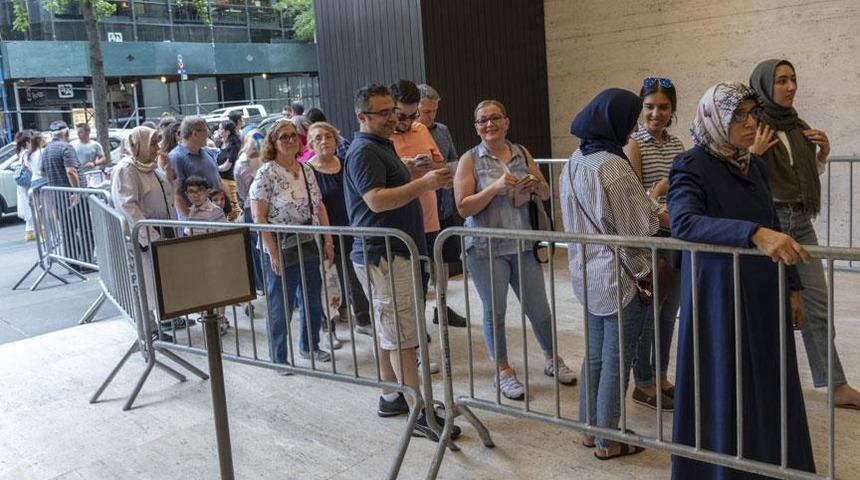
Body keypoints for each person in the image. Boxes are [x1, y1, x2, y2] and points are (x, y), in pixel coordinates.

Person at [668, 82, 815, 478]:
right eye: (739, 116)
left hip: (765, 290)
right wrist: (750, 233)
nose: (751, 123)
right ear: (715, 118)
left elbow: (774, 222)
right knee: (726, 383)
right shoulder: (691, 164)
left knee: (768, 383)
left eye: (753, 114)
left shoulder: (755, 165)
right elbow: (683, 221)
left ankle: (773, 466)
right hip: (720, 296)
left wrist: (793, 287)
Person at [343, 84, 459, 441]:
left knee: (389, 330)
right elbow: (375, 200)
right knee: (403, 336)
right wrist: (423, 184)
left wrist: (408, 168)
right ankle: (418, 412)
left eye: (393, 111)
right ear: (362, 116)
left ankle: (391, 395)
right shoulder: (364, 150)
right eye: (383, 113)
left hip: (390, 251)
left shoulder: (380, 145)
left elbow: (382, 184)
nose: (392, 118)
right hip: (383, 254)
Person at [560, 89, 666, 459]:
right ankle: (608, 438)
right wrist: (657, 209)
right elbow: (639, 228)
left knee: (596, 356)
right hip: (619, 276)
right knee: (616, 359)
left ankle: (590, 429)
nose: (635, 125)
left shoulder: (574, 160)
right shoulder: (613, 166)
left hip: (586, 271)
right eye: (633, 116)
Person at [749, 59, 860, 410]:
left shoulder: (798, 127)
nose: (791, 86)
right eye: (781, 80)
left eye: (793, 79)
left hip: (800, 220)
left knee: (817, 302)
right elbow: (738, 179)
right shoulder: (751, 126)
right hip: (769, 222)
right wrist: (753, 155)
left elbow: (801, 179)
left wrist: (822, 154)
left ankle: (836, 385)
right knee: (767, 307)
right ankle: (763, 387)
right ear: (765, 85)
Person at [455, 99, 577, 402]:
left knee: (540, 309)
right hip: (485, 249)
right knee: (495, 312)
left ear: (506, 122)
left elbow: (546, 192)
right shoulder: (469, 159)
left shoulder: (521, 152)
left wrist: (535, 185)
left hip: (522, 245)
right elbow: (462, 207)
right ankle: (503, 371)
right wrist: (494, 188)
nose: (489, 124)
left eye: (495, 118)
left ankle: (552, 358)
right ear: (476, 127)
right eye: (483, 120)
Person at [622, 77, 685, 410]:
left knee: (667, 312)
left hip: (676, 234)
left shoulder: (676, 145)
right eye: (649, 107)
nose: (656, 113)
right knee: (649, 311)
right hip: (651, 235)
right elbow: (635, 197)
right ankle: (643, 382)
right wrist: (661, 192)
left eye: (663, 107)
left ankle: (660, 375)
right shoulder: (634, 143)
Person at [250, 119, 334, 364]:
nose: (290, 140)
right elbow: (258, 217)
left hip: (308, 240)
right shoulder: (266, 173)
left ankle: (310, 345)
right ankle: (278, 357)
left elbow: (319, 206)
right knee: (281, 305)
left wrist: (328, 240)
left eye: (293, 136)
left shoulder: (306, 169)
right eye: (283, 137)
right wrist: (273, 253)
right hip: (279, 243)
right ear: (273, 143)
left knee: (311, 298)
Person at [390, 79, 466, 327]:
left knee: (429, 274)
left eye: (414, 116)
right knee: (404, 286)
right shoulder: (382, 137)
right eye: (404, 116)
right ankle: (411, 336)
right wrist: (405, 167)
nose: (409, 122)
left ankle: (427, 322)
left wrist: (430, 166)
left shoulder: (425, 130)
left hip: (432, 213)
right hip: (400, 219)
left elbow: (447, 165)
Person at [110, 126, 178, 342]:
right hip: (145, 237)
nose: (156, 147)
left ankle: (162, 321)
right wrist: (149, 235)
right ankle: (148, 330)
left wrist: (168, 172)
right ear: (137, 145)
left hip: (162, 231)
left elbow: (167, 193)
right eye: (152, 143)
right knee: (144, 282)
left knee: (157, 282)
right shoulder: (126, 169)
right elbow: (128, 206)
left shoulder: (150, 166)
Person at [306, 121, 373, 339]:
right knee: (328, 281)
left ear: (336, 140)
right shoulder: (307, 171)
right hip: (324, 234)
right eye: (318, 138)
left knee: (356, 277)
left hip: (351, 230)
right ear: (310, 144)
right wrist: (327, 240)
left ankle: (363, 319)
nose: (324, 141)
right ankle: (329, 327)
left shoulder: (346, 164)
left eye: (328, 136)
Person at [417, 83, 464, 304]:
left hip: (443, 204)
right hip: (419, 207)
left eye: (434, 110)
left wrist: (447, 173)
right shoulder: (406, 134)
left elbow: (454, 161)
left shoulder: (442, 130)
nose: (430, 115)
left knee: (443, 259)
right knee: (420, 265)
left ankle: (442, 308)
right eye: (426, 111)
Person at [42, 120, 95, 268]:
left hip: (58, 197)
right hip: (73, 197)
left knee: (68, 231)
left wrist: (56, 179)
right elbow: (71, 171)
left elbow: (43, 172)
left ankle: (72, 263)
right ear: (66, 133)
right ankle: (86, 262)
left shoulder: (46, 150)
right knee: (85, 229)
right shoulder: (66, 147)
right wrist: (76, 192)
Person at [169, 116, 223, 219]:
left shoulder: (207, 152)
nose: (208, 135)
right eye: (205, 131)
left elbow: (218, 179)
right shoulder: (176, 157)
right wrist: (191, 219)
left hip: (216, 214)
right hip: (197, 219)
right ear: (195, 133)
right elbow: (176, 193)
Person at [234, 130, 265, 293]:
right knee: (258, 247)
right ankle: (263, 285)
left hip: (256, 206)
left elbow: (242, 191)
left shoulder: (268, 158)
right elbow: (242, 190)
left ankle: (264, 285)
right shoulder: (242, 164)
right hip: (252, 208)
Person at [216, 120, 242, 219]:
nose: (219, 131)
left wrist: (214, 169)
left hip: (230, 180)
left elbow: (227, 166)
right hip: (222, 179)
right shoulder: (221, 144)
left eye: (221, 129)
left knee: (234, 206)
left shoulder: (232, 146)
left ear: (227, 132)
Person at [13, 131, 34, 240]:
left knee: (27, 205)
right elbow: (27, 166)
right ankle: (33, 231)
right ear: (27, 142)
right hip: (28, 183)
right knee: (31, 205)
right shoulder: (26, 152)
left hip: (23, 184)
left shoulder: (21, 152)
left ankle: (29, 231)